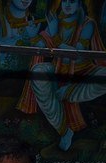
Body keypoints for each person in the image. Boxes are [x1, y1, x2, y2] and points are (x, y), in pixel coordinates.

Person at [16, 0, 106, 151]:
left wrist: (55, 34)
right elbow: (39, 46)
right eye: (64, 0)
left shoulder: (87, 23)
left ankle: (68, 92)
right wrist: (33, 35)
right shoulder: (55, 21)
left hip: (83, 72)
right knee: (37, 71)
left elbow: (74, 56)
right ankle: (64, 130)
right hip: (58, 71)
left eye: (72, 1)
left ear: (79, 4)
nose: (68, 4)